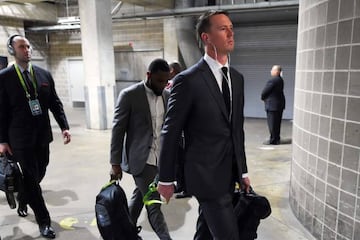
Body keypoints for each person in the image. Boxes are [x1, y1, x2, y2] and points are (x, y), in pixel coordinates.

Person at [157, 10, 251, 240]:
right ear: (205, 37)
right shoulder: (188, 81)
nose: (230, 33)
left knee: (206, 232)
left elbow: (236, 131)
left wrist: (243, 170)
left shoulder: (237, 79)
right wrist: (166, 178)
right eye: (222, 28)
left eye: (231, 28)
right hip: (204, 175)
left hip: (229, 173)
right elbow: (170, 132)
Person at [0, 35, 71, 239]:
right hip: (19, 139)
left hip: (42, 136)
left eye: (28, 46)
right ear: (13, 51)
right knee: (31, 178)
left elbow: (55, 103)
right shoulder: (4, 77)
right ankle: (44, 221)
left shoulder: (43, 75)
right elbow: (1, 112)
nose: (27, 50)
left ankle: (23, 196)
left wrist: (64, 126)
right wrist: (2, 140)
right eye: (22, 47)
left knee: (40, 171)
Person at [110, 58, 172, 240]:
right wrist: (115, 162)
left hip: (160, 158)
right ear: (148, 76)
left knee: (140, 196)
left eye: (166, 81)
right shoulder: (129, 95)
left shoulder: (167, 95)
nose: (163, 85)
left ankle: (124, 232)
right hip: (140, 159)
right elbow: (118, 129)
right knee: (153, 203)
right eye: (160, 80)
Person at [261, 65, 285, 145]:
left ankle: (273, 140)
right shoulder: (280, 80)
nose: (271, 71)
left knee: (272, 124)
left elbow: (265, 92)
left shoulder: (272, 80)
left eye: (272, 70)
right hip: (279, 105)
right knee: (277, 123)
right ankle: (276, 138)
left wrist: (263, 97)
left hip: (272, 105)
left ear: (277, 71)